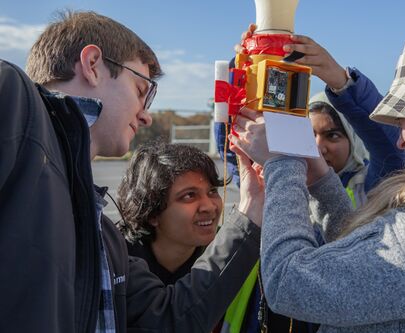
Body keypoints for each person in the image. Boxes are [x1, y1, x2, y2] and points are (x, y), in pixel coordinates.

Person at [0, 10, 262, 333]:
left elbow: (170, 318)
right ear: (92, 64)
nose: (146, 116)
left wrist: (252, 209)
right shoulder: (12, 98)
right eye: (141, 90)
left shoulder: (107, 240)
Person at [230, 22, 405, 332]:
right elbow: (365, 262)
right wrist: (321, 181)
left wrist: (283, 161)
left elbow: (288, 283)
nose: (400, 139)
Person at [117, 140, 223, 285]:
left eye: (212, 191)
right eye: (189, 195)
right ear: (152, 213)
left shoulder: (225, 250)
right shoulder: (114, 258)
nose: (209, 207)